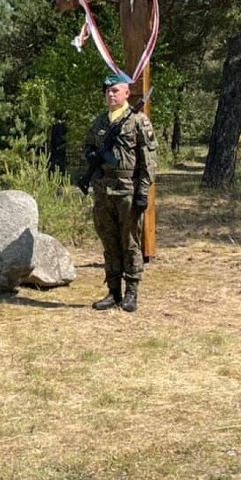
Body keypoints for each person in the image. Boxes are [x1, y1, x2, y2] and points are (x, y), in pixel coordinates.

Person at [83, 73, 158, 312]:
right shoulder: (99, 122)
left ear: (126, 93)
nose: (110, 94)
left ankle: (131, 293)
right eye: (107, 91)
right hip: (103, 190)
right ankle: (113, 292)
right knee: (109, 241)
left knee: (130, 242)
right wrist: (92, 157)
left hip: (127, 189)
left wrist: (143, 191)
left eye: (115, 90)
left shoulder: (138, 121)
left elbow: (149, 161)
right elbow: (88, 147)